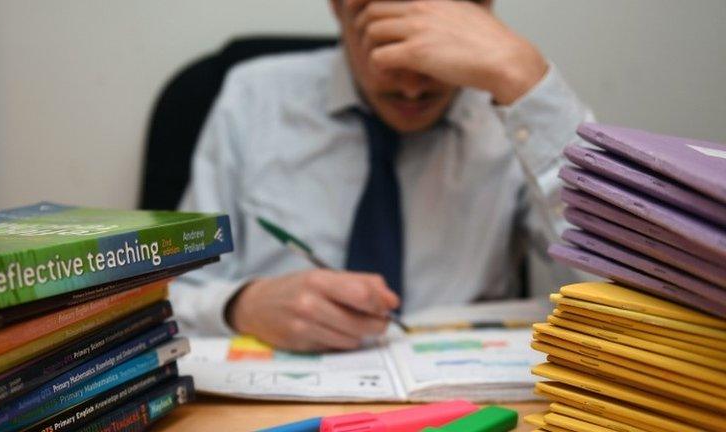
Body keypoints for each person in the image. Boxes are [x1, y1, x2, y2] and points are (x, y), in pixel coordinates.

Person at [171, 0, 592, 352]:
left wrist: (526, 81)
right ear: (340, 7)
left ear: (481, 13)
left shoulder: (518, 115)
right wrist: (240, 306)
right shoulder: (252, 99)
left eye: (431, 43)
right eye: (384, 40)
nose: (411, 88)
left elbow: (620, 298)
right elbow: (166, 300)